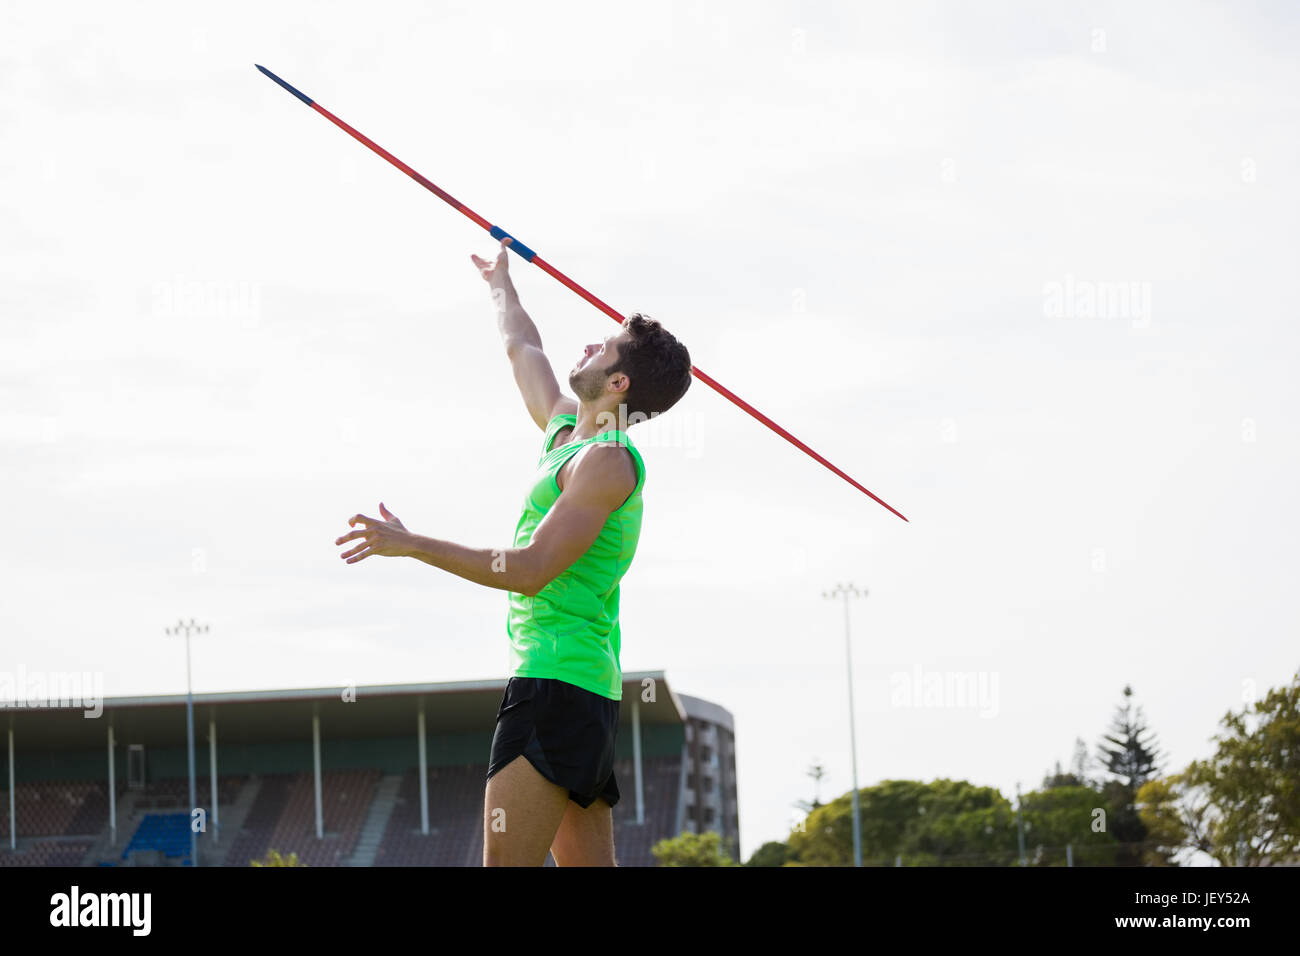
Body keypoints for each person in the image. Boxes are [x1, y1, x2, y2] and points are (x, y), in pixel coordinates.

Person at [333, 238, 692, 865]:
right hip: (578, 687)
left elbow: (528, 572)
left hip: (556, 685)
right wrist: (501, 283)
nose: (586, 346)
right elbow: (523, 347)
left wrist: (410, 544)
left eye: (601, 346)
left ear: (617, 381)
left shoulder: (606, 463)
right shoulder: (566, 433)